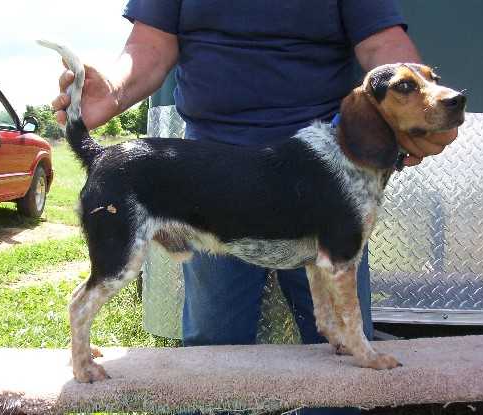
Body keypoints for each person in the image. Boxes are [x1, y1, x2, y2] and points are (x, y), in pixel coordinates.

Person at [53, 1, 458, 413]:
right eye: (409, 87)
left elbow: (383, 41)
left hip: (323, 153)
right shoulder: (128, 172)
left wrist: (415, 105)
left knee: (342, 388)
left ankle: (336, 334)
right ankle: (79, 346)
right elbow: (151, 45)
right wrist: (113, 91)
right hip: (203, 173)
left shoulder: (352, 150)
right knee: (210, 355)